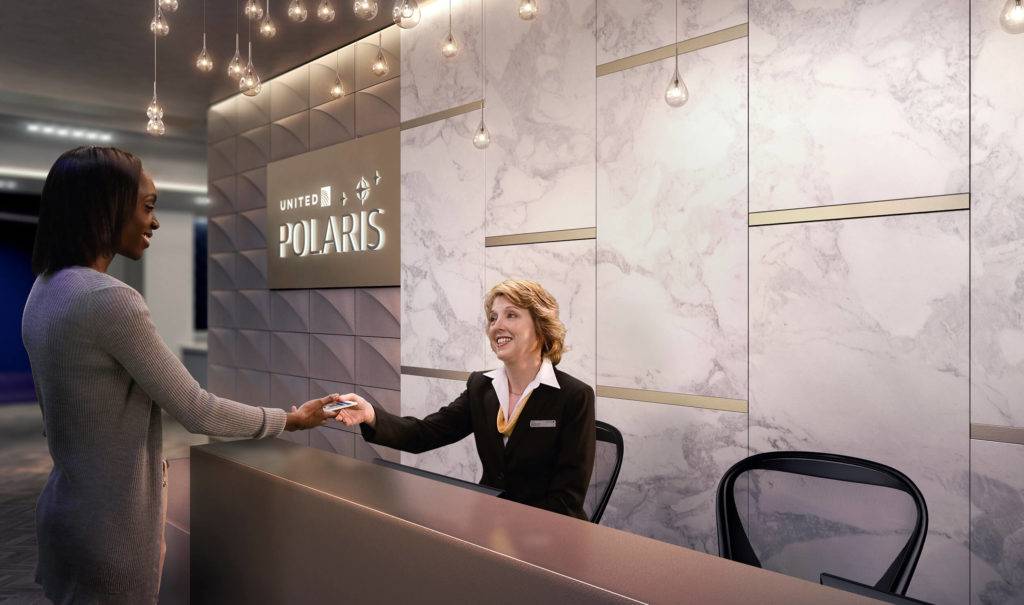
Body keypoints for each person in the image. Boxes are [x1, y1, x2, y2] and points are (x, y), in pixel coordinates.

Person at [20, 146, 342, 604]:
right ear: (106, 206)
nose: (153, 222)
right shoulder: (110, 300)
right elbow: (196, 409)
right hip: (112, 530)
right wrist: (291, 419)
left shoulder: (44, 289)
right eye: (147, 207)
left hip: (65, 516)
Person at [335, 279, 596, 519]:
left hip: (548, 537)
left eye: (511, 315)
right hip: (491, 528)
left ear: (540, 328)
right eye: (493, 317)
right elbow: (424, 434)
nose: (497, 326)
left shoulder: (574, 397)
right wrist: (371, 415)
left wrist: (509, 529)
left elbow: (567, 500)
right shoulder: (481, 387)